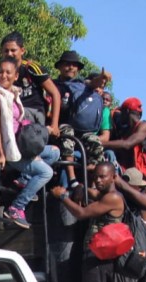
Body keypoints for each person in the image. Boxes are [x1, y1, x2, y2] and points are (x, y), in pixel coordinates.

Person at [0, 57, 60, 229]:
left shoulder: (12, 94)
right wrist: (1, 154)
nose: (3, 75)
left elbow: (18, 123)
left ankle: (24, 179)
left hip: (19, 145)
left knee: (54, 152)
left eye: (8, 72)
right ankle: (17, 207)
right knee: (46, 172)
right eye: (0, 72)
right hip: (7, 150)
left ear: (16, 76)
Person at [53, 50, 111, 185]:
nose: (71, 67)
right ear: (60, 67)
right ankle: (72, 178)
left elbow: (93, 83)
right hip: (61, 127)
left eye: (74, 65)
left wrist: (102, 78)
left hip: (82, 130)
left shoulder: (81, 84)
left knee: (95, 142)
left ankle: (94, 185)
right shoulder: (53, 84)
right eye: (67, 64)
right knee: (68, 134)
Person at [0, 31, 61, 137]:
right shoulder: (2, 71)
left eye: (13, 50)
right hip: (14, 112)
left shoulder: (31, 68)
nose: (9, 54)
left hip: (33, 112)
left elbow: (55, 93)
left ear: (22, 51)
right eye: (6, 51)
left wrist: (54, 125)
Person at [102, 97, 146, 182]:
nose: (120, 115)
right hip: (128, 174)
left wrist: (101, 143)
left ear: (126, 112)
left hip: (142, 178)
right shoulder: (128, 130)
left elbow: (127, 144)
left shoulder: (144, 126)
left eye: (121, 112)